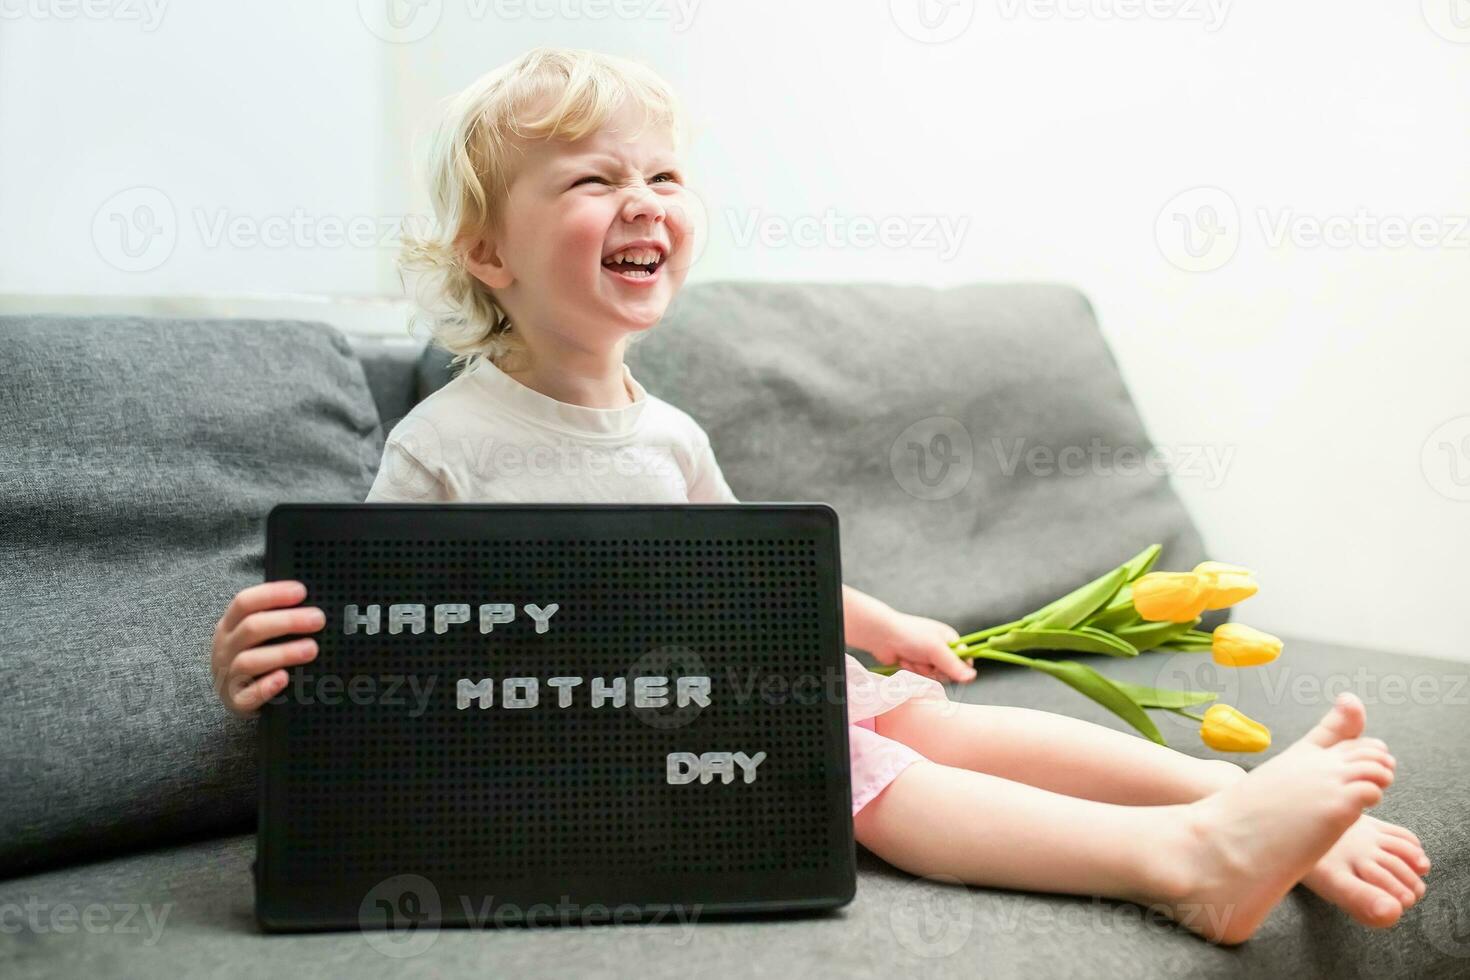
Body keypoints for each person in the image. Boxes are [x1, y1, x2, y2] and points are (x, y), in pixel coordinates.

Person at [208, 47, 1429, 945]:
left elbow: (758, 572)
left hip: (725, 673)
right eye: (590, 181)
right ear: (489, 253)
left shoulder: (670, 432)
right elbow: (353, 622)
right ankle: (1187, 860)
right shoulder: (444, 442)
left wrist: (877, 624)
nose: (642, 199)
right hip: (617, 738)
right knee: (872, 782)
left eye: (665, 174)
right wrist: (257, 660)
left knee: (923, 717)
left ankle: (1237, 796)